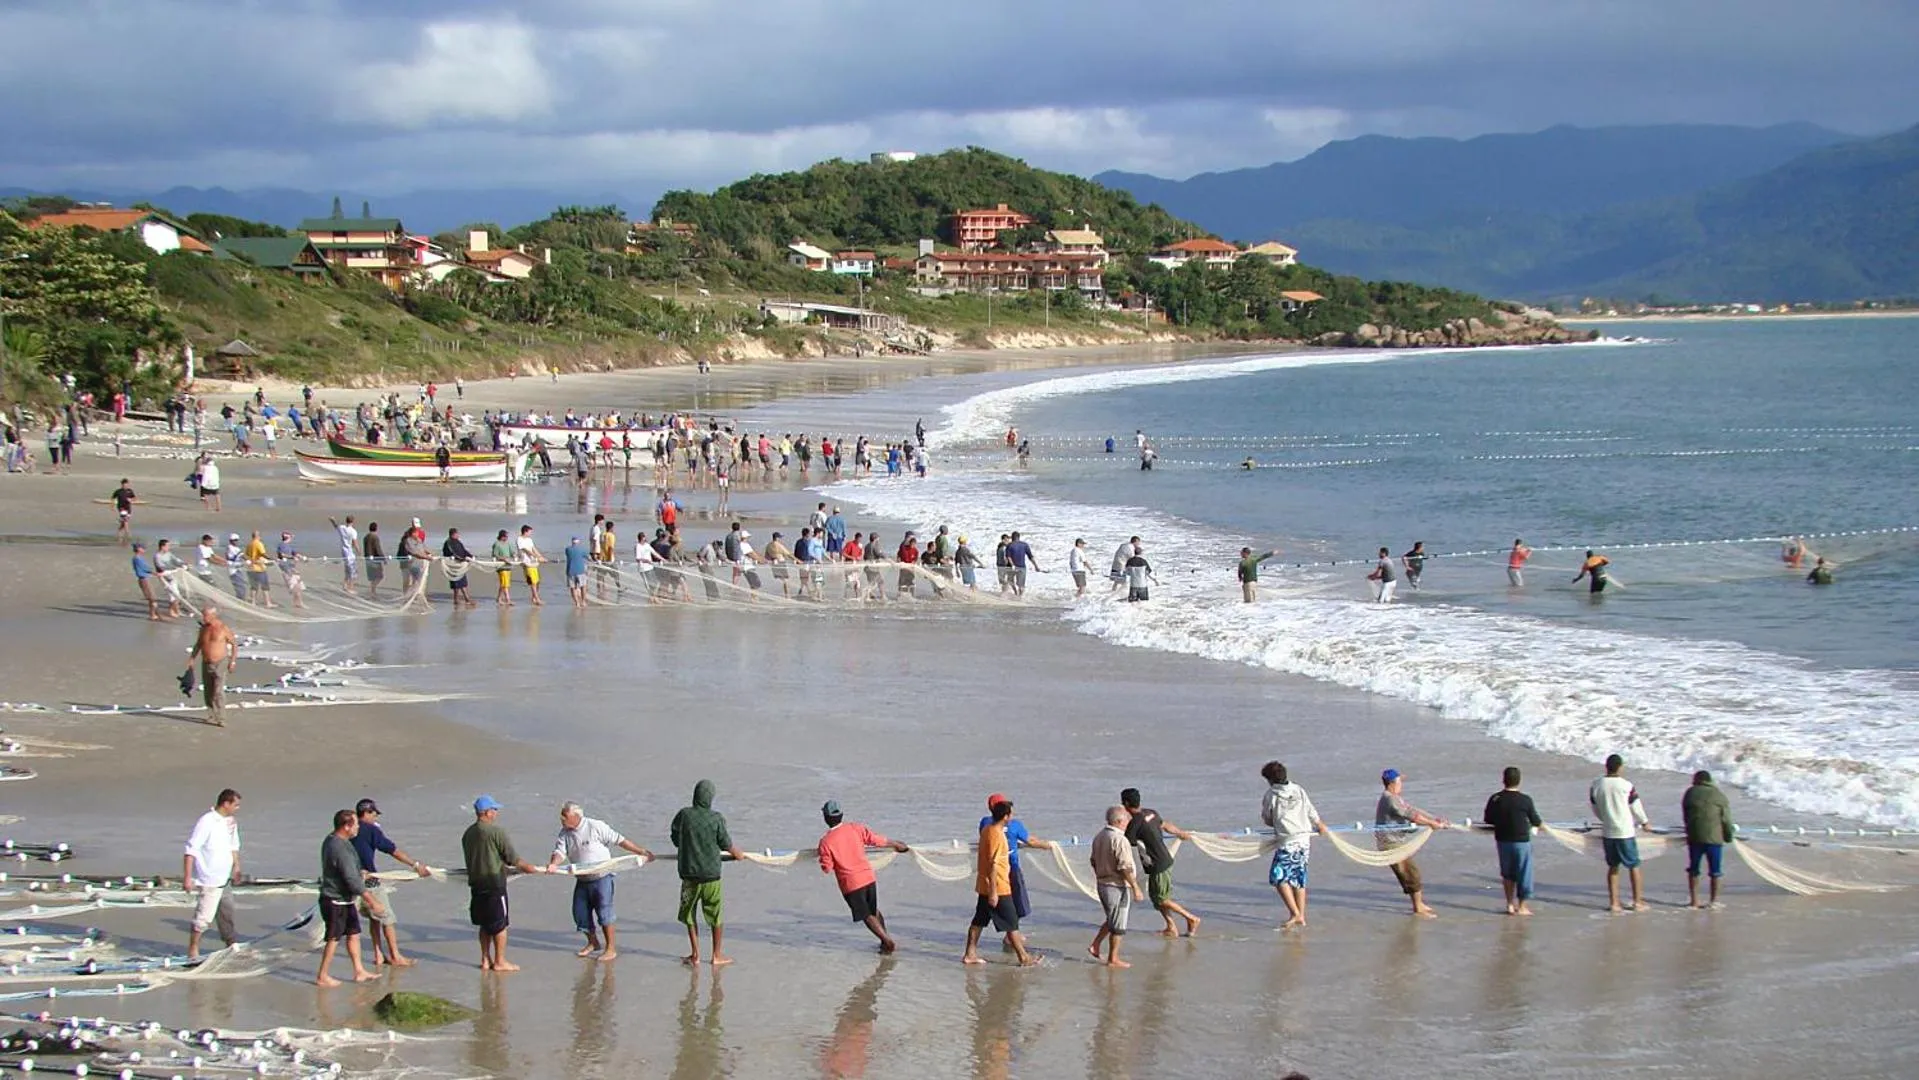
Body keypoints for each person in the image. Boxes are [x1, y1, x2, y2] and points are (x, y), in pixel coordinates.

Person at [547, 802, 655, 962]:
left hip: (602, 877)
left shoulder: (595, 826)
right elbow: (559, 852)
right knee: (580, 913)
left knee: (605, 913)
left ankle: (610, 948)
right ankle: (593, 943)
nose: (561, 819)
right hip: (582, 878)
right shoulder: (565, 833)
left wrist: (642, 852)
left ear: (576, 816)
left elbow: (620, 840)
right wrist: (554, 864)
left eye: (565, 816)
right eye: (561, 816)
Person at [462, 795, 547, 972]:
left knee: (484, 924)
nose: (496, 813)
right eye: (494, 810)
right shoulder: (496, 832)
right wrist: (529, 867)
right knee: (501, 925)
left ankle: (485, 959)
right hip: (494, 883)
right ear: (486, 812)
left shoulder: (468, 834)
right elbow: (512, 858)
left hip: (476, 884)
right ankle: (500, 961)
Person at [816, 800, 910, 953]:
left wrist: (823, 857)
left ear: (826, 818)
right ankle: (884, 940)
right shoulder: (855, 828)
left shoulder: (825, 842)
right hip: (868, 877)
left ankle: (887, 941)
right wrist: (896, 844)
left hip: (851, 884)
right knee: (874, 911)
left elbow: (827, 868)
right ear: (841, 815)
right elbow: (875, 840)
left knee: (866, 915)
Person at [670, 779, 745, 966]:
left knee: (689, 915)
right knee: (715, 915)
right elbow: (726, 844)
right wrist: (739, 855)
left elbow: (675, 838)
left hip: (689, 877)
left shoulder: (684, 815)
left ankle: (695, 954)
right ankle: (716, 955)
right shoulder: (717, 818)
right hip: (711, 877)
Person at [351, 799, 428, 967]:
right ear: (366, 813)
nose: (376, 817)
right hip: (369, 882)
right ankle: (395, 955)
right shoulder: (371, 830)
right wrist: (415, 865)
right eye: (374, 814)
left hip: (350, 881)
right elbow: (392, 850)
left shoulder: (348, 828)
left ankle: (378, 954)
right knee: (387, 918)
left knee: (374, 919)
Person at [963, 798, 1035, 967]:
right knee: (1012, 923)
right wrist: (994, 891)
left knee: (979, 920)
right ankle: (1024, 958)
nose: (1013, 816)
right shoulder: (997, 835)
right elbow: (994, 864)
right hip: (999, 887)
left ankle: (969, 954)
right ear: (1006, 817)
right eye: (1011, 813)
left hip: (984, 884)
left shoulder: (986, 830)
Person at [1120, 787, 1200, 936]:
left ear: (1125, 804)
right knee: (1157, 898)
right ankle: (1171, 927)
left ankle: (1191, 918)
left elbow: (1125, 844)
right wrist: (1180, 833)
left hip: (1158, 865)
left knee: (1162, 899)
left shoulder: (1134, 823)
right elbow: (1165, 825)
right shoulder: (1151, 812)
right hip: (1164, 860)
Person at [317, 809, 384, 987]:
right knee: (333, 938)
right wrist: (373, 901)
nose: (357, 828)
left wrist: (359, 871)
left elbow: (347, 870)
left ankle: (359, 970)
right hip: (334, 899)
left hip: (345, 899)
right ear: (346, 826)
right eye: (355, 824)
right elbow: (351, 880)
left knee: (354, 933)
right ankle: (322, 975)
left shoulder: (337, 840)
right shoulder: (337, 846)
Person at [1260, 761, 1329, 928]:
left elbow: (1267, 818)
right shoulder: (1298, 789)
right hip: (1304, 840)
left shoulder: (1271, 795)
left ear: (1270, 780)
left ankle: (1295, 913)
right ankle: (1301, 916)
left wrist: (1275, 822)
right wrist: (1319, 824)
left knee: (1277, 878)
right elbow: (1310, 809)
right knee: (1298, 878)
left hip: (1288, 841)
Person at [1376, 769, 1449, 918]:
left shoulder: (1394, 797)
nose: (1401, 784)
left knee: (1410, 873)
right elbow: (1411, 815)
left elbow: (1411, 809)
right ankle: (1418, 908)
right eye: (1399, 781)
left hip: (1396, 842)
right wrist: (1431, 823)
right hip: (1391, 844)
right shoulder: (1390, 799)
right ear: (1392, 783)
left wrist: (1435, 819)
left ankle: (1419, 904)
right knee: (1411, 873)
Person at [1590, 753, 1653, 913]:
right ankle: (1637, 901)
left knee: (1613, 867)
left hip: (1608, 831)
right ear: (1620, 767)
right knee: (1634, 866)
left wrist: (1605, 818)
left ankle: (1614, 903)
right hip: (1625, 832)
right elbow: (1636, 806)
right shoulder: (1626, 785)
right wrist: (1644, 822)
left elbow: (1596, 808)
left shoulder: (1596, 785)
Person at [183, 788, 241, 960]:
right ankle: (193, 949)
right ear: (226, 803)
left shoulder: (231, 822)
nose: (237, 808)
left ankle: (231, 944)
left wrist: (236, 867)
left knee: (227, 913)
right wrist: (187, 878)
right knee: (203, 918)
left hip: (225, 879)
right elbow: (190, 850)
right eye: (236, 805)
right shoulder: (206, 821)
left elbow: (234, 846)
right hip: (210, 879)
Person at [979, 793, 1053, 925]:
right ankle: (1012, 935)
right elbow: (1029, 840)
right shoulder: (1014, 825)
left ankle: (1011, 933)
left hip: (990, 873)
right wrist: (1048, 845)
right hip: (1010, 867)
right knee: (1016, 901)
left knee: (985, 913)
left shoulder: (985, 824)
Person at [1088, 806, 1144, 968]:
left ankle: (1095, 945)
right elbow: (1124, 867)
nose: (1129, 822)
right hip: (1116, 886)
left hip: (1102, 884)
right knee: (1118, 925)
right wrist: (1135, 888)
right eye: (1127, 820)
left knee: (1113, 918)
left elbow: (1093, 861)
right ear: (1119, 821)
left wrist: (1101, 873)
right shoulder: (1120, 840)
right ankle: (1113, 959)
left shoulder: (1100, 836)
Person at [1484, 766, 1543, 916]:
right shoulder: (1525, 800)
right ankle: (1522, 906)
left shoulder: (1495, 798)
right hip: (1521, 841)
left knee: (1507, 874)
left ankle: (1510, 904)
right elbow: (1536, 821)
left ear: (1503, 780)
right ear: (1519, 781)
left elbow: (1488, 819)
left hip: (1502, 840)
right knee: (1524, 873)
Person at [1681, 770, 1736, 909]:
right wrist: (1729, 836)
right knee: (1715, 872)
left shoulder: (1690, 793)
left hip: (1695, 837)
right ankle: (1713, 901)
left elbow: (1686, 816)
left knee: (1693, 870)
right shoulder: (1719, 795)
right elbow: (1726, 820)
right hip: (1714, 839)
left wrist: (1689, 831)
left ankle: (1694, 901)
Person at [185, 605, 237, 725]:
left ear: (213, 615)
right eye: (203, 615)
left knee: (218, 691)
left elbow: (234, 644)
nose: (204, 618)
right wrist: (192, 658)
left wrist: (232, 661)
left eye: (206, 615)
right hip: (206, 662)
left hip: (220, 662)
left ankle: (221, 717)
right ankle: (211, 714)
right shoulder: (203, 629)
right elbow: (198, 644)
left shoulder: (223, 628)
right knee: (208, 691)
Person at [443, 527, 476, 608]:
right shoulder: (448, 543)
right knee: (456, 583)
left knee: (462, 582)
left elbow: (463, 550)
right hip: (453, 565)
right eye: (457, 534)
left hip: (461, 565)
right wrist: (461, 558)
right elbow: (451, 553)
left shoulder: (458, 542)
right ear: (453, 534)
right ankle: (464, 599)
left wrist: (470, 556)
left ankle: (460, 599)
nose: (458, 535)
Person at [131, 543, 164, 620]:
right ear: (139, 549)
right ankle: (156, 615)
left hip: (145, 579)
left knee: (151, 598)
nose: (144, 549)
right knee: (152, 598)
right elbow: (146, 568)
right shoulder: (137, 558)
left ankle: (153, 615)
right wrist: (156, 573)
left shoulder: (139, 558)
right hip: (144, 579)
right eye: (142, 548)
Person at [517, 525, 548, 606]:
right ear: (525, 531)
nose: (531, 533)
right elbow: (526, 550)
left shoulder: (529, 539)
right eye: (530, 532)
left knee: (537, 581)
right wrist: (537, 557)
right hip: (527, 562)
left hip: (533, 562)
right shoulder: (519, 539)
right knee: (533, 582)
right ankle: (537, 599)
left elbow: (533, 548)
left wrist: (541, 557)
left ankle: (534, 597)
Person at [329, 515, 359, 594]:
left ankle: (345, 585)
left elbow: (336, 526)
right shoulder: (353, 531)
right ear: (352, 522)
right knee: (352, 571)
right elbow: (355, 543)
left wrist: (332, 520)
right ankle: (350, 588)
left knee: (347, 569)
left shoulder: (342, 528)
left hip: (344, 551)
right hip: (349, 552)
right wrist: (359, 551)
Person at [1004, 531, 1039, 596]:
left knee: (1010, 581)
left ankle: (1015, 592)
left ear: (1012, 537)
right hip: (1022, 567)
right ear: (1018, 537)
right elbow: (1030, 557)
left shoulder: (1009, 545)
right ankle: (1020, 597)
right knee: (1021, 585)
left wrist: (1012, 564)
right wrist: (1036, 566)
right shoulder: (1025, 545)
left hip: (1012, 567)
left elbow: (1008, 557)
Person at [490, 528, 517, 606]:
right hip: (501, 567)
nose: (507, 538)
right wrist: (504, 559)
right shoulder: (497, 544)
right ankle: (508, 600)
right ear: (502, 536)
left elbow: (512, 552)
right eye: (506, 536)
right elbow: (495, 555)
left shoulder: (508, 544)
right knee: (505, 584)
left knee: (504, 583)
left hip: (508, 566)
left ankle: (498, 598)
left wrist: (514, 555)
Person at [363, 522, 387, 599]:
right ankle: (372, 591)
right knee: (379, 576)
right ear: (376, 528)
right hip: (375, 560)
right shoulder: (375, 537)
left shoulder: (365, 537)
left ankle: (372, 592)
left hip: (367, 560)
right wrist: (384, 559)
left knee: (373, 577)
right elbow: (378, 549)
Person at [565, 537, 591, 608]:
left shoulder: (567, 549)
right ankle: (583, 601)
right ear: (578, 542)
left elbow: (568, 555)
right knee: (583, 586)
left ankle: (577, 603)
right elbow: (588, 558)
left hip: (570, 571)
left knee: (572, 588)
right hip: (580, 571)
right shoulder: (582, 550)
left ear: (572, 542)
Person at [110, 478, 137, 542]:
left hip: (128, 508)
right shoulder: (118, 491)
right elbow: (113, 498)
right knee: (125, 521)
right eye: (124, 484)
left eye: (126, 484)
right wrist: (112, 506)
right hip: (121, 508)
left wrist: (131, 500)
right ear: (121, 485)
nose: (125, 486)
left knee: (123, 523)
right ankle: (128, 535)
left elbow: (135, 498)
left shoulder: (130, 491)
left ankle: (118, 534)